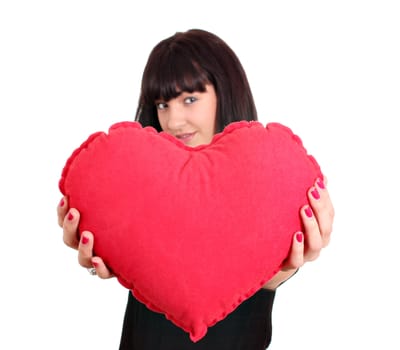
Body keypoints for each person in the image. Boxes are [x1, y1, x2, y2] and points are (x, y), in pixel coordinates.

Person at [57, 29, 334, 350]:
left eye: (190, 99)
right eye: (162, 104)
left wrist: (274, 276)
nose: (174, 121)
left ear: (226, 92)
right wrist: (102, 251)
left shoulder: (267, 192)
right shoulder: (143, 192)